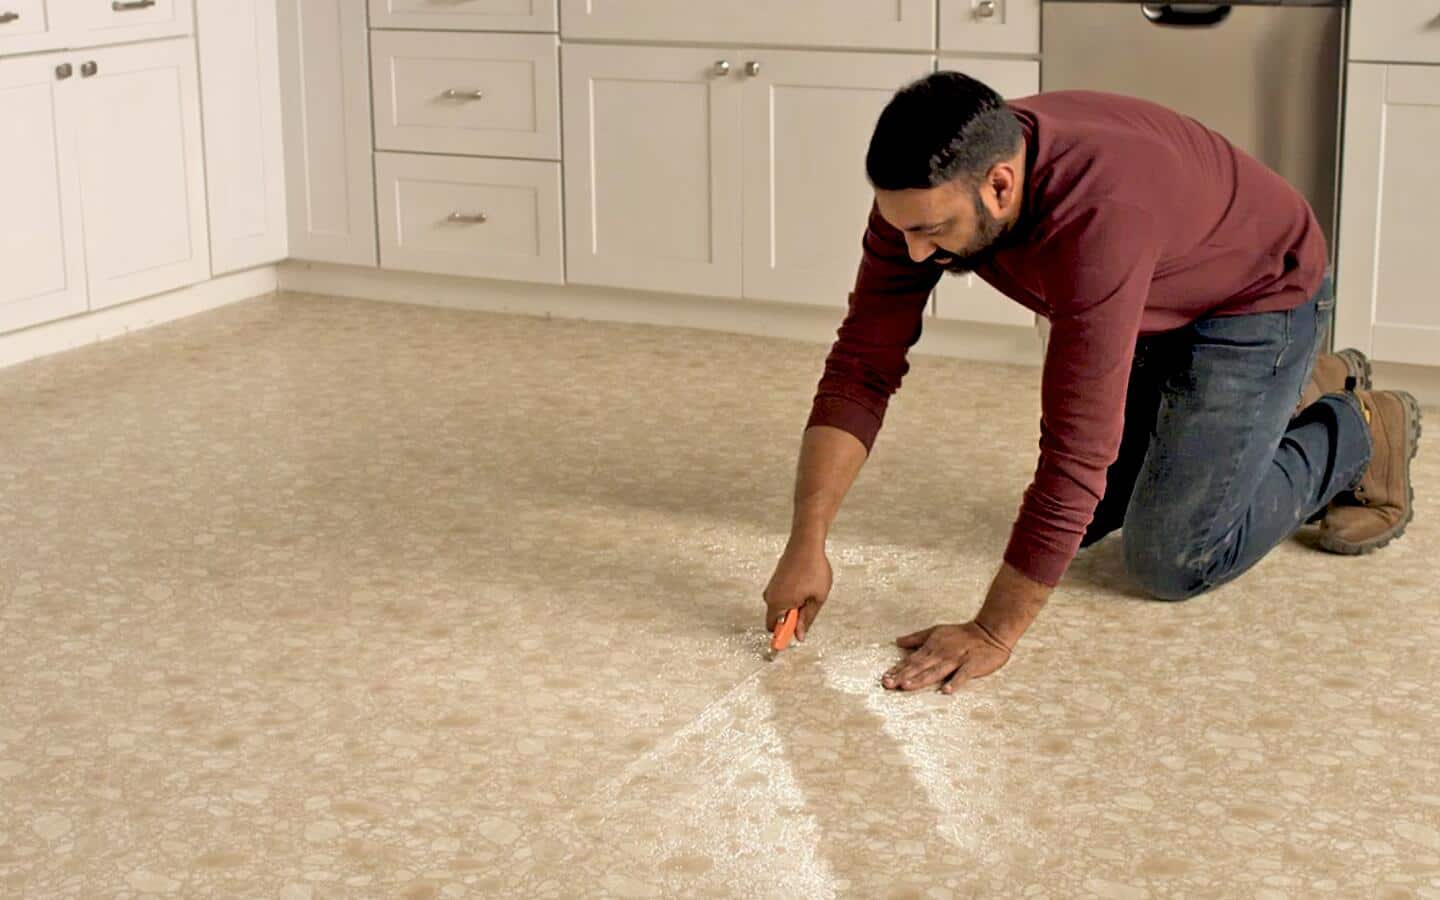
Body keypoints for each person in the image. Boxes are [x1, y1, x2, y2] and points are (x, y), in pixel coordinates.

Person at [761, 73, 1423, 694]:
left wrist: (994, 630)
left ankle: (1356, 426)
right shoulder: (921, 201)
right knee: (1095, 516)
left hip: (1257, 294)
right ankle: (1297, 381)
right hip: (1156, 291)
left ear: (999, 186)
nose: (911, 252)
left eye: (931, 232)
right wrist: (806, 541)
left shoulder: (1096, 219)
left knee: (1173, 558)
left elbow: (1078, 449)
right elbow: (861, 366)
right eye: (900, 227)